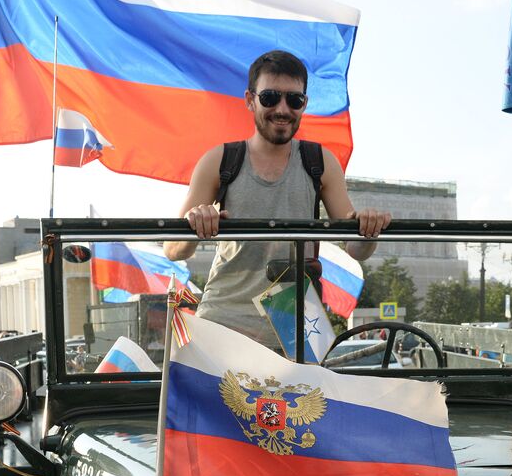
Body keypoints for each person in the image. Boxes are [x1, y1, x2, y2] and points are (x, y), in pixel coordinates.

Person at [164, 50, 391, 347]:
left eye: (294, 100)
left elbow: (356, 248)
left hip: (294, 331)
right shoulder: (219, 160)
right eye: (270, 97)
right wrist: (196, 222)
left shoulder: (320, 162)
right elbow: (173, 249)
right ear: (250, 99)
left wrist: (368, 228)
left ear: (304, 105)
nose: (282, 109)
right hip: (223, 325)